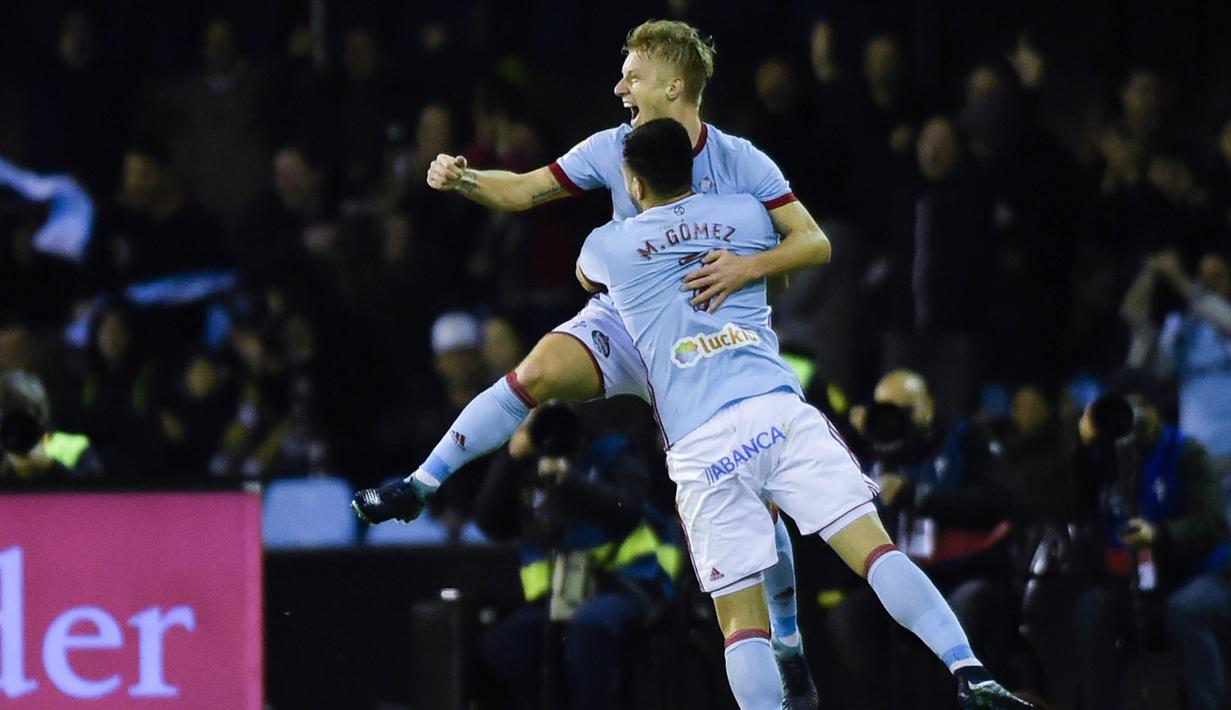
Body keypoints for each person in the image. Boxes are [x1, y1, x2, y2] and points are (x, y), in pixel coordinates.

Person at [355, 20, 827, 705]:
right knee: (538, 370)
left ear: (674, 83)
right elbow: (521, 190)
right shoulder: (611, 148)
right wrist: (461, 179)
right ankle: (420, 484)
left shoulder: (741, 159)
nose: (618, 87)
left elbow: (804, 245)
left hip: (708, 339)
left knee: (757, 501)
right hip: (630, 315)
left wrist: (749, 270)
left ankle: (785, 642)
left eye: (631, 75)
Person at [567, 119, 1030, 708]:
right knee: (876, 552)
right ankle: (966, 668)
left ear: (633, 183)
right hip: (777, 412)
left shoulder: (607, 245)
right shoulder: (744, 215)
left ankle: (781, 656)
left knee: (741, 624)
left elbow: (588, 278)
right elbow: (806, 248)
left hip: (703, 444)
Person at [475, 403, 677, 710]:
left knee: (590, 629)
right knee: (505, 645)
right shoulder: (528, 460)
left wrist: (570, 481)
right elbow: (491, 523)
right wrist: (510, 458)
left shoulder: (611, 450)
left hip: (622, 585)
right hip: (553, 597)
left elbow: (627, 511)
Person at [1072, 375, 1231, 710]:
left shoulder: (1185, 451)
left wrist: (1160, 535)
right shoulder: (1108, 459)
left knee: (1185, 609)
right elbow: (1076, 507)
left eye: (1140, 406)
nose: (1133, 415)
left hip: (1203, 575)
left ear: (1157, 410)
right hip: (1141, 584)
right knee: (1092, 608)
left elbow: (1214, 524)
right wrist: (1083, 451)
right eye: (1126, 407)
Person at [1122, 250, 1231, 508]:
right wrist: (1150, 274)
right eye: (1202, 277)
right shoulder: (1178, 326)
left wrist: (1180, 278)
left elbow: (1218, 313)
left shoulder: (1224, 316)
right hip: (1200, 452)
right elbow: (1134, 319)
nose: (1207, 283)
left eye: (1216, 276)